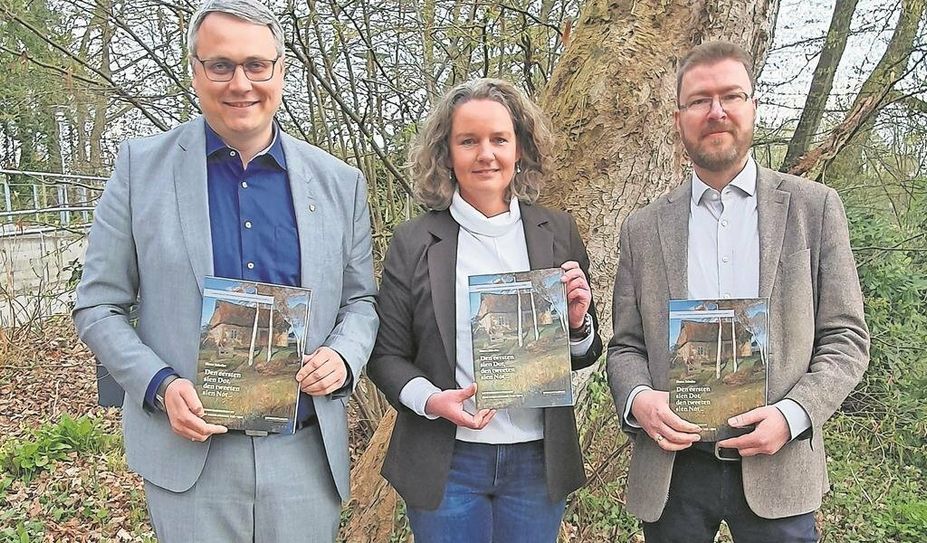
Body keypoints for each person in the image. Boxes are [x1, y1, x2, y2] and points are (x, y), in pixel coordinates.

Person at [72, 1, 378, 540]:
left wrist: (344, 356)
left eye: (257, 65)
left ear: (281, 71)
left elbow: (360, 303)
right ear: (195, 71)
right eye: (221, 65)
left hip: (304, 457)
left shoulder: (340, 182)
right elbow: (97, 305)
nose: (241, 83)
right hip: (191, 461)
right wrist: (159, 385)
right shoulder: (141, 170)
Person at [606, 41, 870, 542]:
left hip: (779, 466)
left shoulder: (814, 210)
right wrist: (638, 398)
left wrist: (793, 416)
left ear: (752, 105)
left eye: (731, 96)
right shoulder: (641, 228)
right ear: (679, 116)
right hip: (674, 472)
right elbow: (625, 346)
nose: (716, 111)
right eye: (699, 100)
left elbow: (846, 339)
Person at [366, 78, 603, 543]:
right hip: (446, 461)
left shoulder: (556, 232)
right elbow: (385, 356)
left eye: (499, 139)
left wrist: (576, 325)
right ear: (446, 153)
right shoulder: (414, 241)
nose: (485, 154)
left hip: (537, 462)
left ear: (520, 148)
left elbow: (585, 352)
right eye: (468, 141)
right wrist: (431, 401)